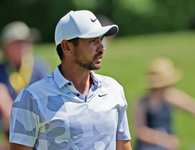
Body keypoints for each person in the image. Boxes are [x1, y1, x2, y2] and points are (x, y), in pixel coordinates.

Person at [9, 10, 132, 150]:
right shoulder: (31, 98)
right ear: (67, 47)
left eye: (101, 39)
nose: (102, 48)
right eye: (92, 40)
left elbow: (123, 146)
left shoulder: (113, 89)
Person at [0, 21, 50, 150]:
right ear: (5, 47)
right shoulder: (2, 69)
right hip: (8, 131)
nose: (23, 46)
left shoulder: (39, 67)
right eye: (17, 43)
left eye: (26, 42)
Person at [133, 57, 195, 150]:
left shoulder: (169, 96)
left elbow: (194, 108)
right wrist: (163, 139)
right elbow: (140, 131)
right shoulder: (142, 103)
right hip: (148, 146)